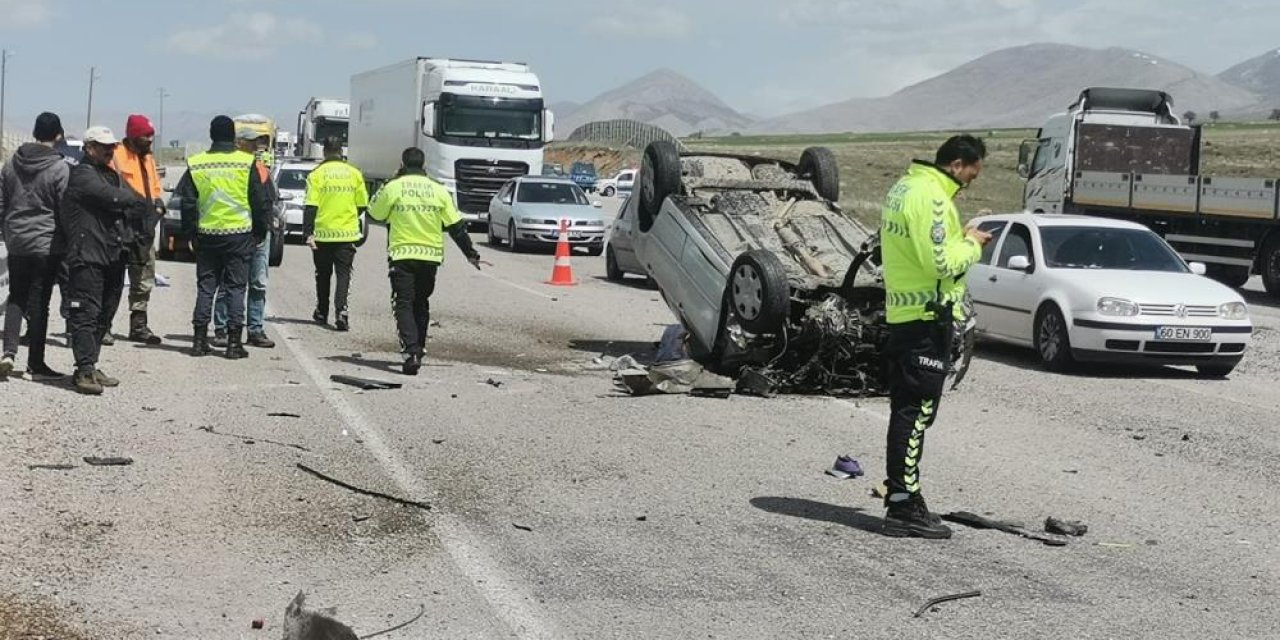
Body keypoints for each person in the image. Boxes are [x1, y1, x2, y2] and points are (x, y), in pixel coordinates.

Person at [878, 134, 993, 539]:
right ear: (958, 165)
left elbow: (921, 249)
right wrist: (973, 245)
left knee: (907, 410)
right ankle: (903, 505)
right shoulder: (932, 197)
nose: (969, 185)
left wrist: (957, 236)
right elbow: (941, 264)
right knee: (915, 413)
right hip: (927, 318)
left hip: (905, 313)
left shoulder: (905, 187)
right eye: (971, 176)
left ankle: (901, 497)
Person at [368, 147, 484, 375]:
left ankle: (411, 350)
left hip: (402, 254)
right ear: (424, 165)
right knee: (421, 302)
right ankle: (419, 348)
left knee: (403, 303)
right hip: (430, 257)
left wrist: (392, 184)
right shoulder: (438, 189)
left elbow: (375, 213)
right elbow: (456, 226)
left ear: (402, 163)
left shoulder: (393, 187)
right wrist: (470, 253)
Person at [59, 126, 148, 394]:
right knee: (86, 313)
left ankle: (92, 363)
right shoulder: (82, 174)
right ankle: (84, 369)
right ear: (89, 148)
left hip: (112, 254)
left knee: (105, 313)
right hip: (87, 255)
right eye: (103, 146)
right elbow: (115, 197)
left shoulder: (110, 174)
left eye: (111, 146)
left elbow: (137, 201)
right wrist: (131, 200)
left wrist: (133, 201)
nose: (109, 150)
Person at [174, 116, 272, 359]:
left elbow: (187, 202)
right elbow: (259, 201)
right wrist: (260, 232)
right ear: (232, 136)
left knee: (206, 287)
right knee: (236, 288)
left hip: (207, 235)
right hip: (239, 235)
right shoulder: (246, 162)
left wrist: (190, 233)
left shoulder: (197, 163)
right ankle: (233, 344)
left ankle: (199, 342)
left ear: (211, 135)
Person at [0, 112, 71, 380]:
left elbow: (2, 202)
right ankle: (35, 364)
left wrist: (7, 231)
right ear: (59, 135)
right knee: (40, 301)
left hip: (17, 240)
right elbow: (64, 208)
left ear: (34, 133)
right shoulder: (60, 168)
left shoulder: (11, 163)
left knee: (16, 296)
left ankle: (8, 352)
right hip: (46, 243)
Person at [210, 126, 275, 349]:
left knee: (258, 283)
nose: (257, 146)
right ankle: (222, 328)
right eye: (252, 142)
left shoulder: (261, 168)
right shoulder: (230, 166)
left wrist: (267, 225)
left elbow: (268, 199)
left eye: (259, 142)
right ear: (239, 143)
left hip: (259, 234)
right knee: (229, 283)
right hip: (237, 233)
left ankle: (255, 329)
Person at [109, 114, 165, 345]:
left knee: (143, 277)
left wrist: (158, 206)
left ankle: (139, 326)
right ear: (133, 136)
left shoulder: (148, 158)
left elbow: (155, 187)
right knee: (112, 279)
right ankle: (104, 326)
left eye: (151, 136)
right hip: (121, 226)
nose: (149, 140)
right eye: (145, 136)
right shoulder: (116, 155)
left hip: (145, 228)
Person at [304, 136, 368, 331]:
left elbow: (311, 206)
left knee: (323, 274)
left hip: (323, 234)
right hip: (346, 234)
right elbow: (362, 204)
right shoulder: (354, 173)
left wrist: (308, 233)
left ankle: (322, 311)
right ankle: (341, 311)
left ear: (324, 151)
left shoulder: (316, 174)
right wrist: (349, 216)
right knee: (343, 274)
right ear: (341, 151)